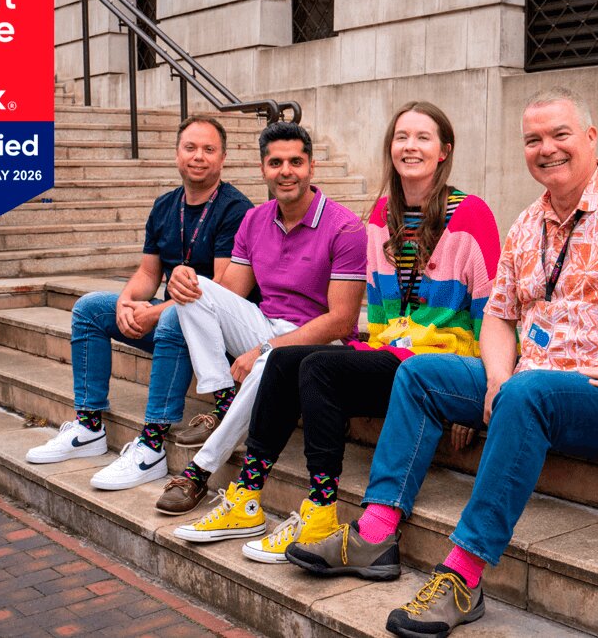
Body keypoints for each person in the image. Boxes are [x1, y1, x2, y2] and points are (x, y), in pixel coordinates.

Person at [286, 87, 598, 637]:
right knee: (421, 373)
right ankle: (376, 534)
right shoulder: (530, 223)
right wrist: (497, 377)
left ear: (591, 138)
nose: (546, 148)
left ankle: (463, 576)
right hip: (532, 385)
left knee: (529, 393)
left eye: (560, 135)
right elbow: (498, 316)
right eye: (533, 139)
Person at [168, 102, 501, 558]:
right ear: (390, 148)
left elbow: (493, 309)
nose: (410, 146)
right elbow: (382, 312)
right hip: (392, 356)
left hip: (443, 363)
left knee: (318, 366)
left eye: (423, 138)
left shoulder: (471, 214)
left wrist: (477, 391)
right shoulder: (383, 215)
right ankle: (247, 496)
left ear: (444, 151)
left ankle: (321, 506)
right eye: (402, 137)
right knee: (284, 360)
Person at [24, 116, 254, 490]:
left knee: (173, 319)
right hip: (169, 324)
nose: (198, 157)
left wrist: (152, 313)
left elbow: (224, 289)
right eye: (190, 147)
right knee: (89, 308)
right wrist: (128, 301)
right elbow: (149, 273)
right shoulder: (166, 206)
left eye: (209, 149)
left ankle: (152, 446)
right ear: (177, 153)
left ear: (223, 157)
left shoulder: (235, 209)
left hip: (218, 339)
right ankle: (89, 427)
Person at [153, 121, 367, 519]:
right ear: (262, 169)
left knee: (271, 361)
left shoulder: (345, 227)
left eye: (295, 161)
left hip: (319, 343)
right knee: (194, 287)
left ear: (311, 167)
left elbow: (341, 321)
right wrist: (183, 280)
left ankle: (199, 470)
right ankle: (221, 396)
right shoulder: (254, 220)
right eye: (276, 162)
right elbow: (230, 290)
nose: (286, 171)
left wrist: (266, 347)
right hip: (266, 323)